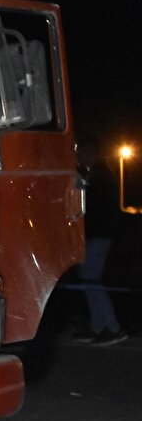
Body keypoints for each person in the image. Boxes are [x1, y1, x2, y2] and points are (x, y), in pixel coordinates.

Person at [75, 134, 127, 345]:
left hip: (99, 235)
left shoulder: (100, 177)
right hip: (98, 235)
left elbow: (95, 209)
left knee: (91, 280)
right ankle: (98, 326)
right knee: (88, 280)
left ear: (93, 154)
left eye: (82, 152)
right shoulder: (98, 175)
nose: (79, 156)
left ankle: (112, 327)